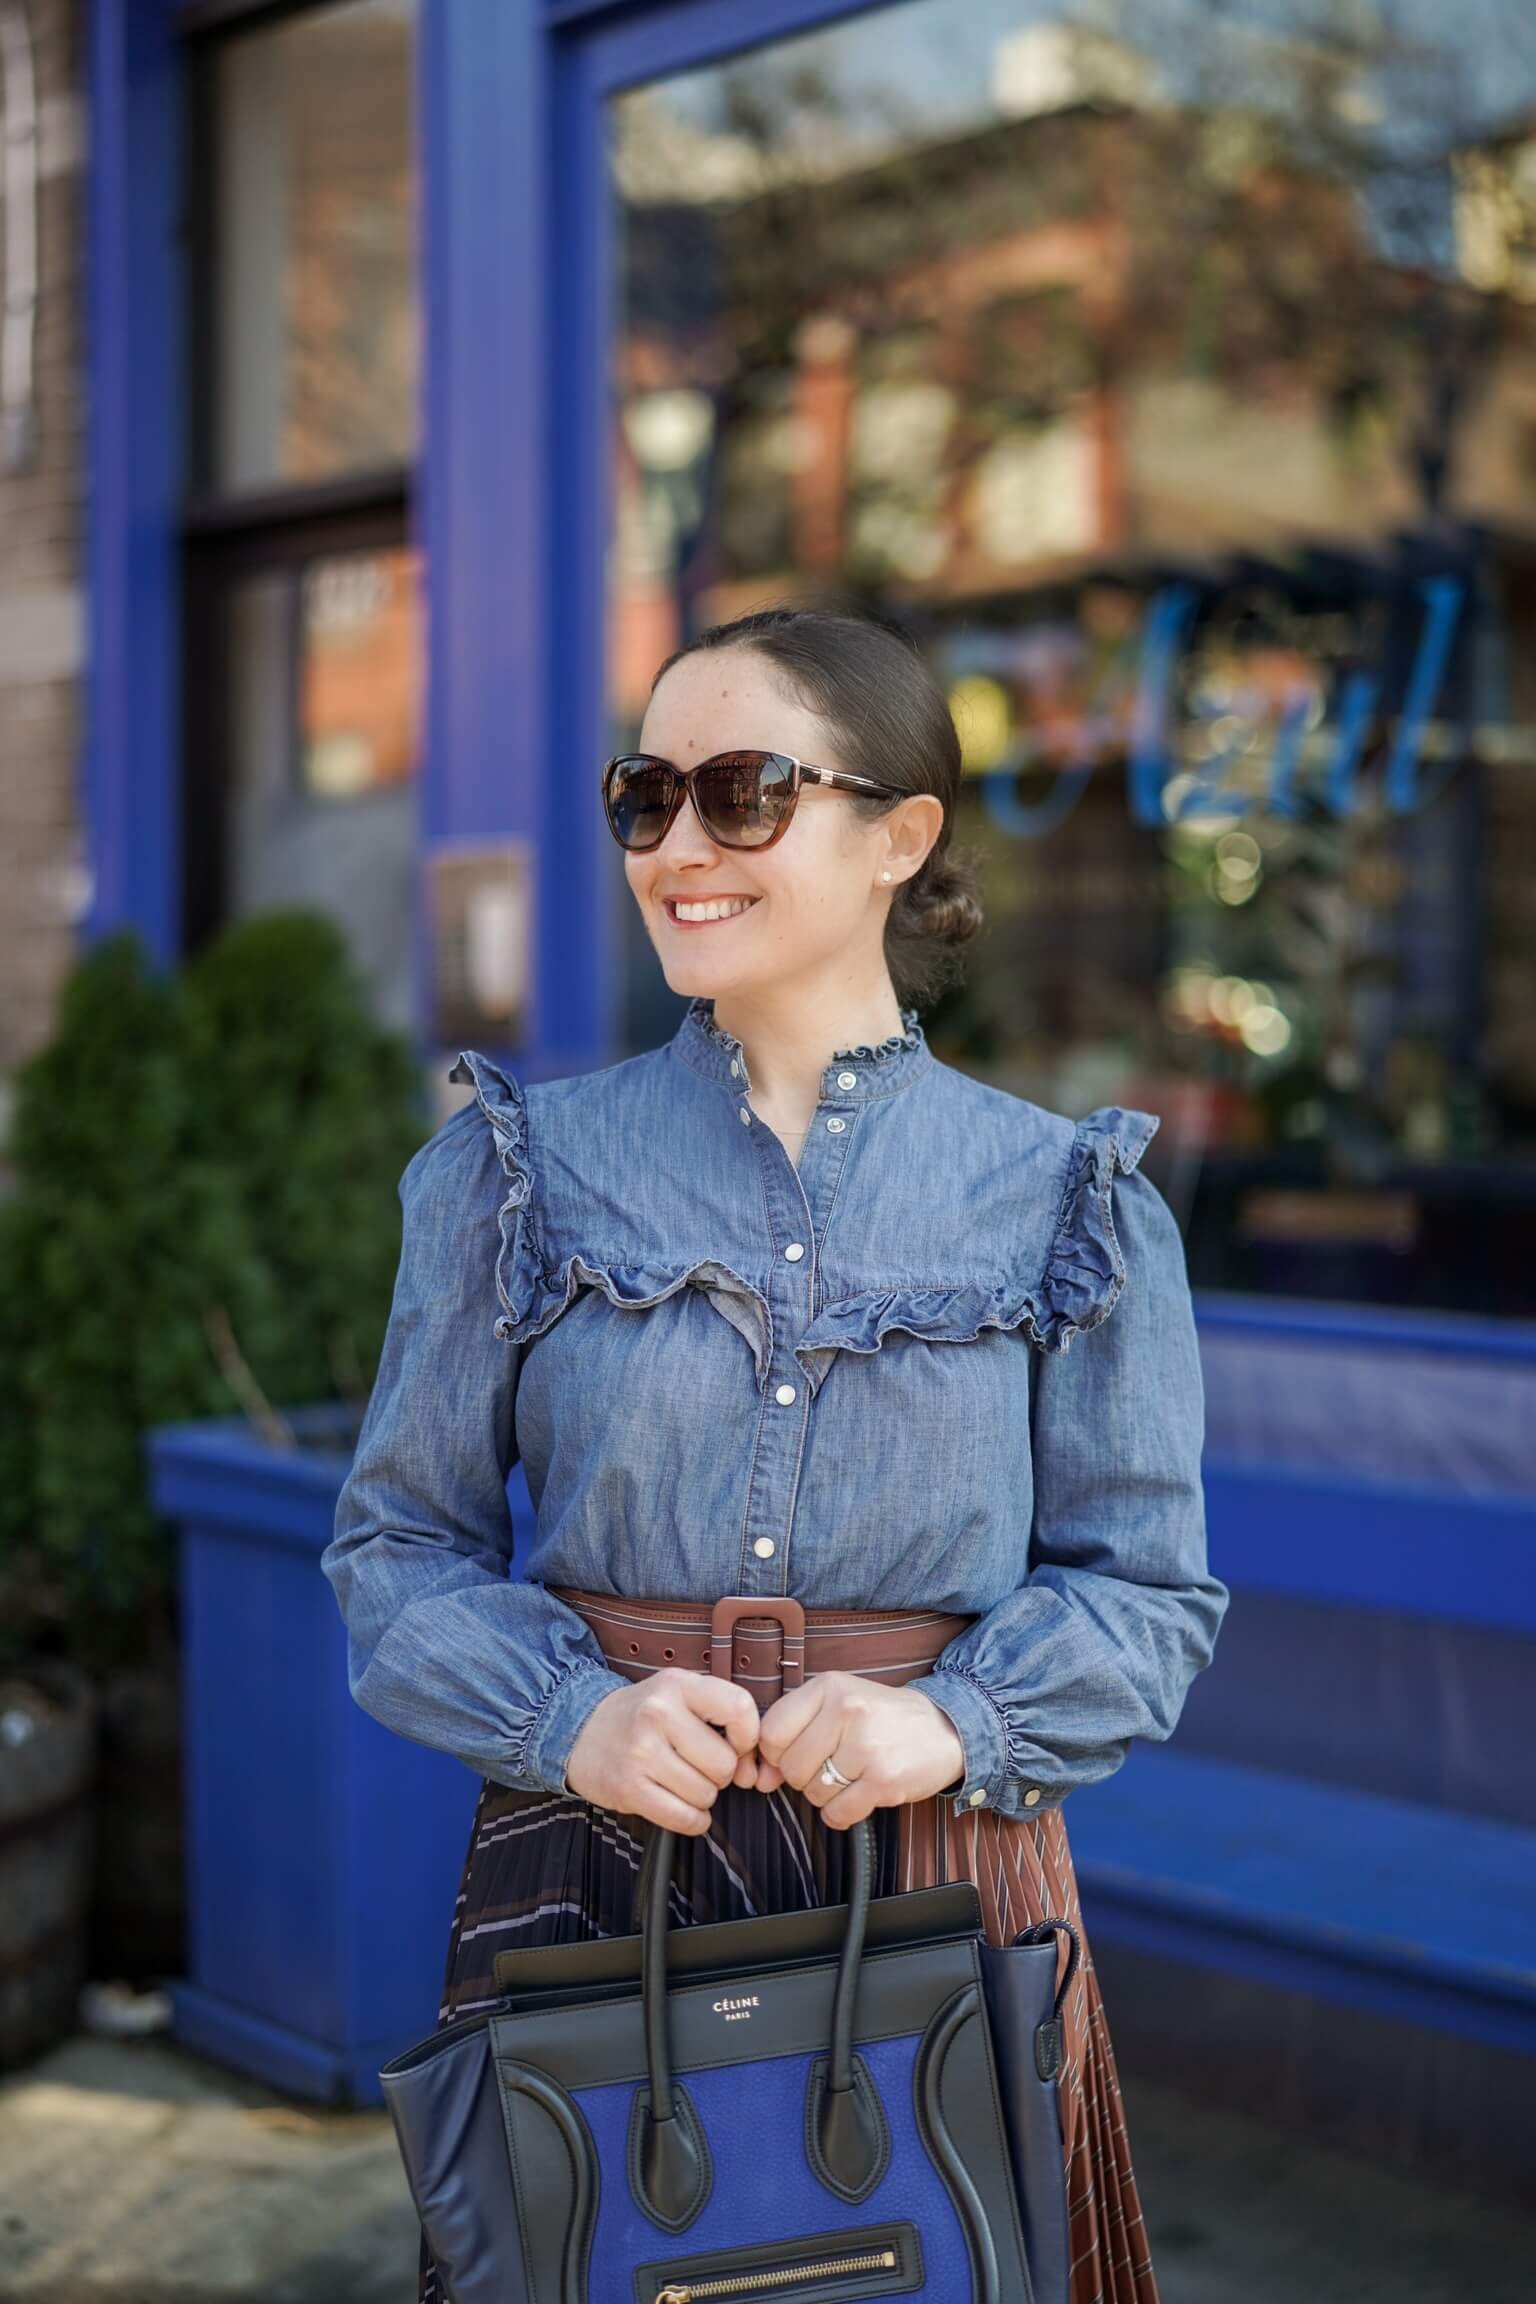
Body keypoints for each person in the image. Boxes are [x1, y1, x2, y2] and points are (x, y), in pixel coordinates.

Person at [321, 602, 1229, 2304]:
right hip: (593, 1850)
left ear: (902, 835)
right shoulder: (516, 1169)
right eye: (642, 797)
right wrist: (569, 1714)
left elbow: (1148, 1599)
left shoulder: (1067, 1202)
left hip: (942, 1858)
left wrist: (949, 1720)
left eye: (742, 793)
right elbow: (396, 1555)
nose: (678, 846)